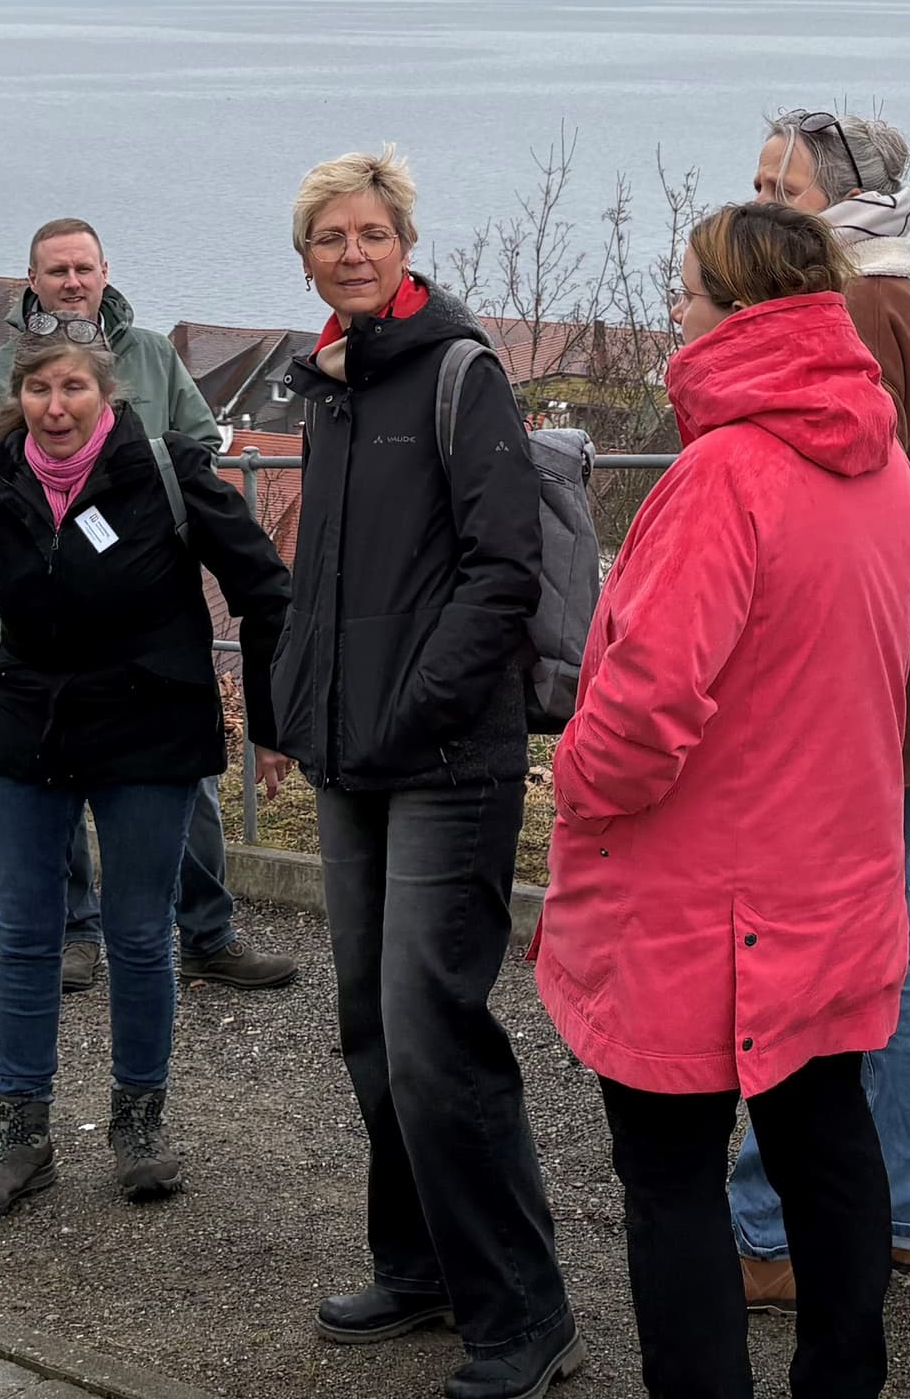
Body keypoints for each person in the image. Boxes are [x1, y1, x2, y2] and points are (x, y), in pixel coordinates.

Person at [537, 201, 910, 1399]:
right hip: (837, 870)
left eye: (684, 294)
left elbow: (647, 701)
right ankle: (842, 1382)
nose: (672, 313)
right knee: (827, 1146)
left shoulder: (725, 474)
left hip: (700, 895)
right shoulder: (881, 456)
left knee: (668, 1180)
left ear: (735, 313)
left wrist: (579, 785)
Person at [0, 325, 291, 1226]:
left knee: (136, 936)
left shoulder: (164, 469)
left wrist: (273, 727)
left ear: (107, 396)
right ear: (22, 398)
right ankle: (20, 1133)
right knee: (25, 938)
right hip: (30, 733)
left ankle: (139, 1126)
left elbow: (264, 587)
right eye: (42, 390)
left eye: (74, 390)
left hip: (149, 734)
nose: (58, 407)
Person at [270, 148, 579, 1399]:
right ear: (306, 260)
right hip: (353, 753)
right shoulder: (334, 383)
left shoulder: (459, 372)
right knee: (368, 1026)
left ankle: (524, 1313)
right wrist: (305, 707)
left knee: (432, 1031)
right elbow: (330, 580)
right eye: (329, 238)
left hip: (448, 757)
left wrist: (408, 711)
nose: (352, 252)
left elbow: (500, 572)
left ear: (405, 243)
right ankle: (420, 1265)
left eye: (371, 233)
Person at [733, 110, 910, 1300]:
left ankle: (785, 1213)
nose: (758, 204)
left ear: (839, 202)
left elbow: (827, 512)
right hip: (888, 670)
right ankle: (906, 1201)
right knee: (877, 936)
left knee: (837, 943)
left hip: (852, 682)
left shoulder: (852, 309)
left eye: (780, 187)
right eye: (754, 183)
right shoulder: (894, 298)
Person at [0, 217, 299, 997]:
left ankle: (207, 932)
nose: (72, 282)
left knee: (183, 778)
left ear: (105, 271)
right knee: (53, 771)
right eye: (56, 271)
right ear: (32, 281)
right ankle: (77, 934)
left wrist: (162, 526)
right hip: (45, 614)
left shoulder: (149, 354)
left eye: (83, 268)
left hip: (153, 608)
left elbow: (199, 445)